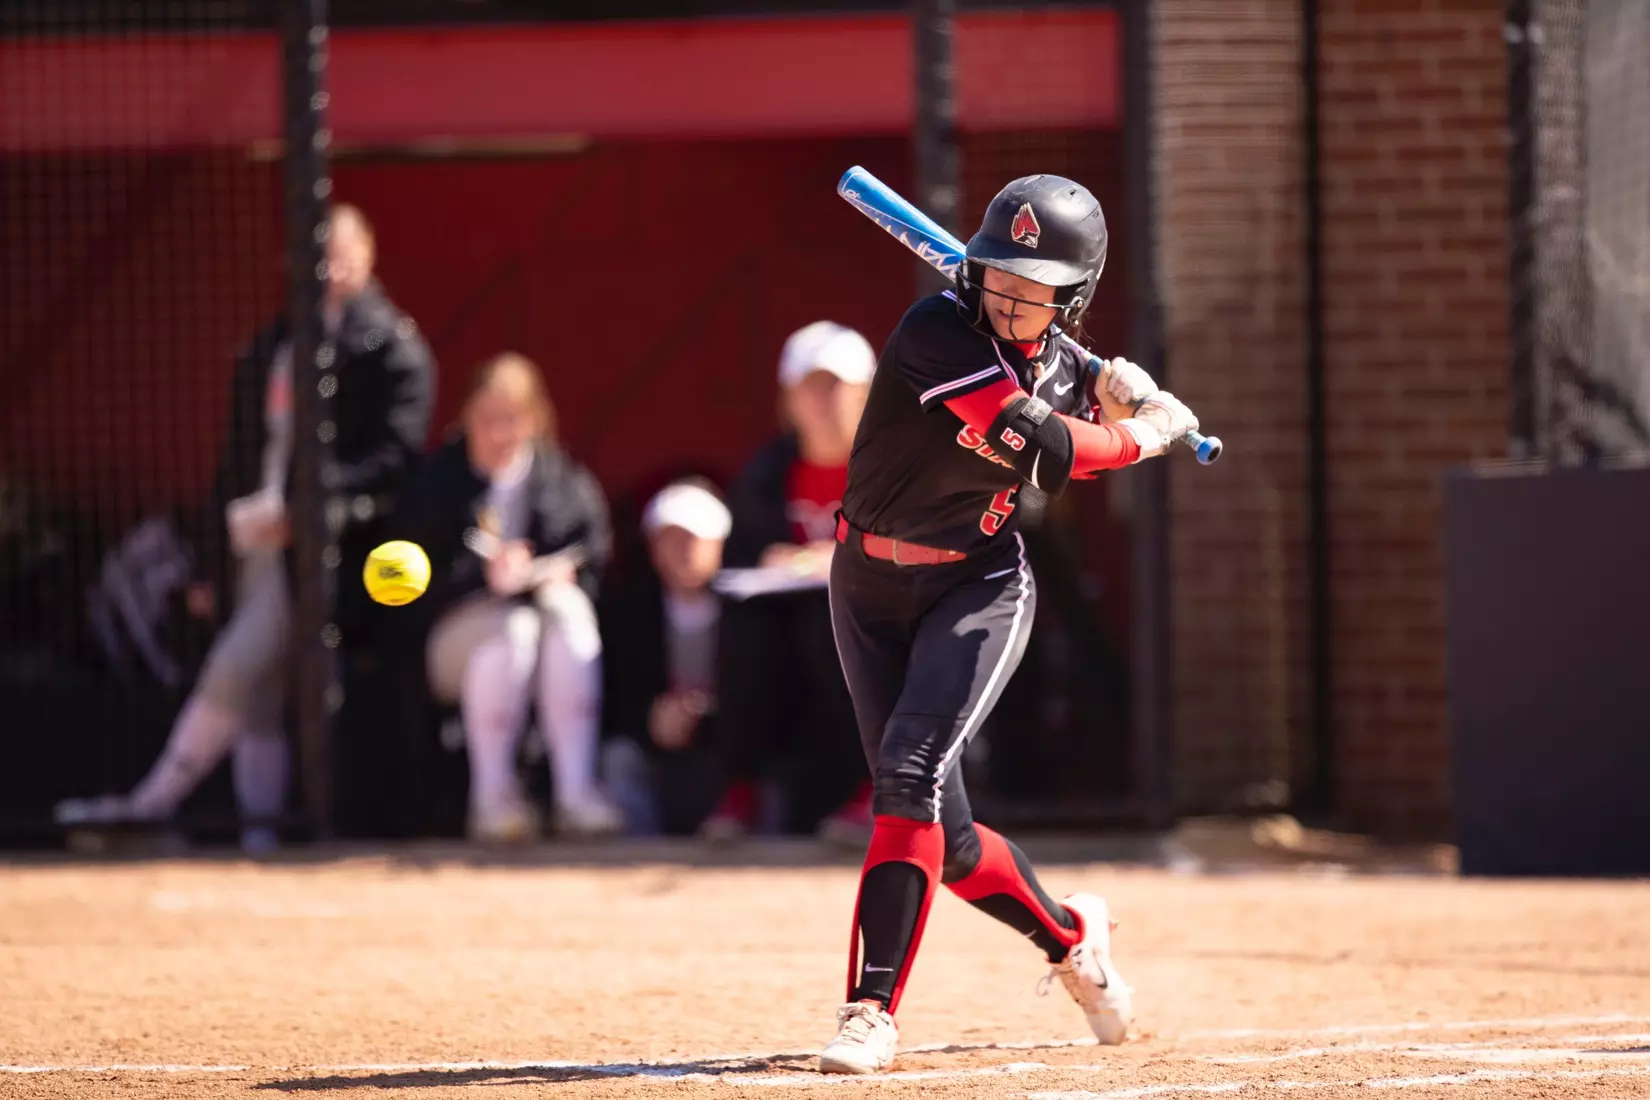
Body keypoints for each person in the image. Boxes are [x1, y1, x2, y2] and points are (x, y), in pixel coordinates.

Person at [816, 175, 1201, 1073]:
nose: (1010, 296)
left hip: (976, 586)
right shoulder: (936, 333)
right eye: (999, 275)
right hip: (866, 583)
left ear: (1075, 296)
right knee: (945, 841)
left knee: (906, 778)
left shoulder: (1067, 368)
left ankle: (870, 1012)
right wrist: (1149, 429)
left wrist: (1115, 398)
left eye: (1036, 288)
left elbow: (1075, 448)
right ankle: (1072, 938)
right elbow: (1050, 445)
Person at [55, 203, 435, 851]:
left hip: (333, 553)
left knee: (237, 663)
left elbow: (393, 459)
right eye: (318, 256)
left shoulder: (391, 348)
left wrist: (311, 511)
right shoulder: (274, 345)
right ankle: (260, 839)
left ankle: (150, 806)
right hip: (254, 542)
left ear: (369, 254)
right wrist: (212, 556)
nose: (330, 268)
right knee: (259, 693)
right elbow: (235, 459)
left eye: (342, 254)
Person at [394, 352, 619, 841]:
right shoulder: (438, 483)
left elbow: (593, 553)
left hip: (546, 639)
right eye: (486, 420)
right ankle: (493, 799)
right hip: (454, 643)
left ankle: (576, 793)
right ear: (465, 418)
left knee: (568, 612)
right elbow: (406, 587)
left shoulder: (561, 480)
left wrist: (560, 574)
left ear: (536, 420)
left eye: (512, 420)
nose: (499, 434)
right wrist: (480, 577)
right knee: (511, 630)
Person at [699, 321, 873, 844]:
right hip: (787, 621)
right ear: (788, 400)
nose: (821, 401)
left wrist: (844, 558)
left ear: (866, 393)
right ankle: (741, 792)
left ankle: (875, 792)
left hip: (876, 615)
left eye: (834, 385)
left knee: (835, 636)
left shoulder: (890, 467)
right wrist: (773, 557)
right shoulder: (766, 473)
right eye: (808, 387)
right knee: (746, 633)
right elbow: (740, 559)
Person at [598, 478, 732, 836]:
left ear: (719, 544)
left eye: (696, 538)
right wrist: (650, 719)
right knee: (617, 760)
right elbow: (612, 697)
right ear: (653, 547)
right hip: (653, 756)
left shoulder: (749, 614)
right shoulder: (626, 614)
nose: (685, 550)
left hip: (723, 757)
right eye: (671, 538)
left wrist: (706, 717)